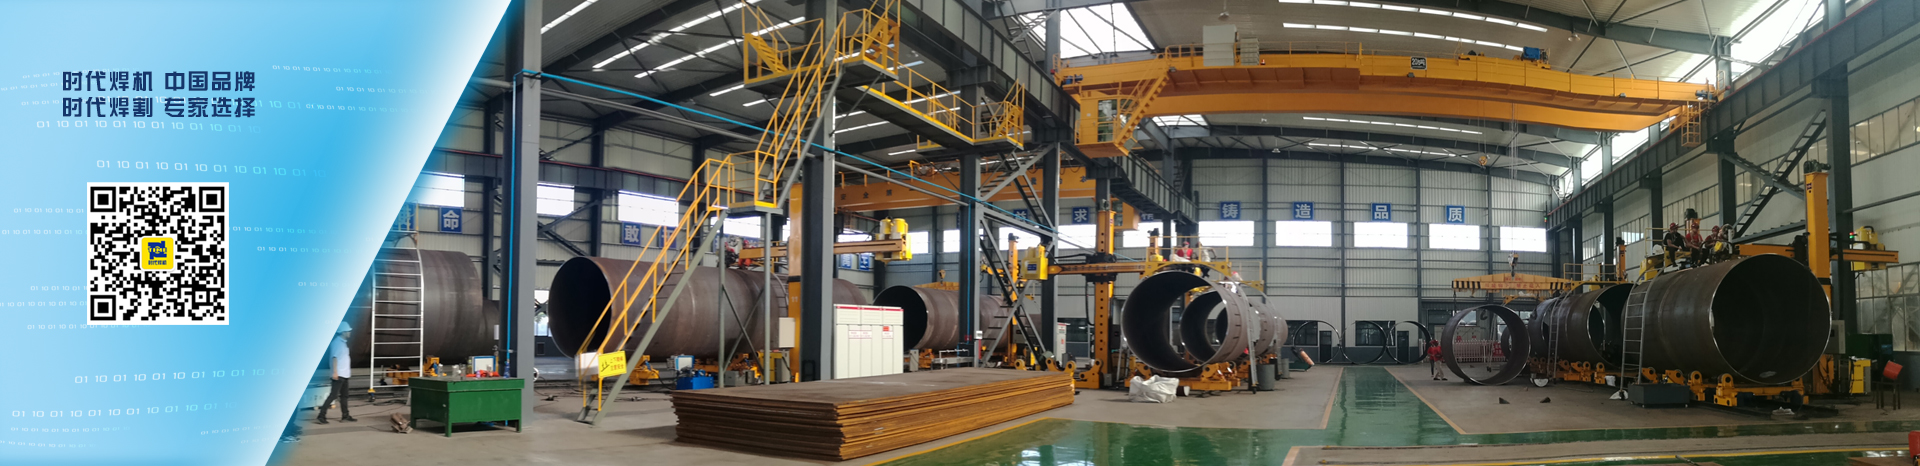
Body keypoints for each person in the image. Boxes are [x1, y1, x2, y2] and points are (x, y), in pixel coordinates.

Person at [317, 322, 357, 424]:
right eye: (348, 331)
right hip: (339, 375)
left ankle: (345, 415)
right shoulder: (337, 343)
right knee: (333, 396)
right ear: (343, 332)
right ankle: (321, 416)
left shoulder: (342, 343)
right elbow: (334, 358)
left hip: (344, 374)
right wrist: (335, 372)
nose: (350, 332)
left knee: (344, 396)